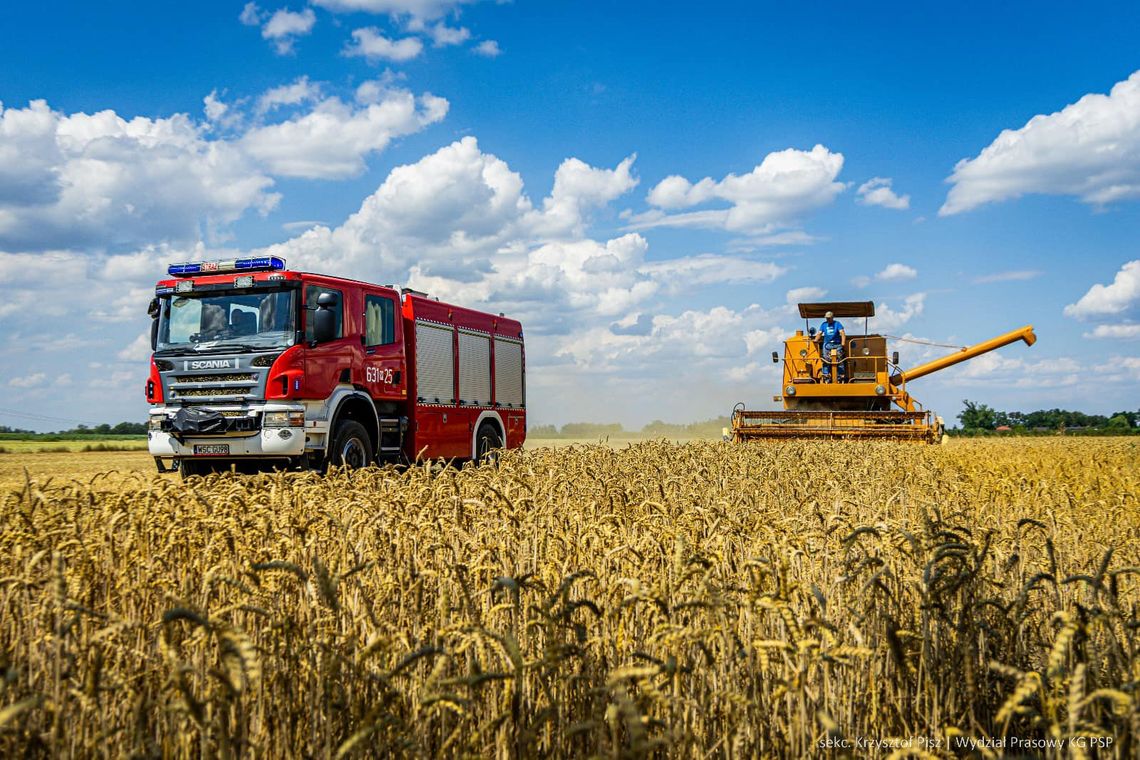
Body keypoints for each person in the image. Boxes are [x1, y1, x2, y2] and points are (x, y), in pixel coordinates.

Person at [816, 310, 846, 381]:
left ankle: (840, 375)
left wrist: (843, 343)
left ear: (833, 317)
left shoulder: (837, 324)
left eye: (829, 318)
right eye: (827, 318)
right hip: (827, 344)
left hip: (837, 344)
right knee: (826, 360)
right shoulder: (824, 324)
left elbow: (842, 333)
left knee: (839, 359)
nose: (828, 319)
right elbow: (819, 333)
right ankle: (826, 375)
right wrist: (815, 340)